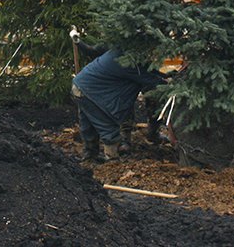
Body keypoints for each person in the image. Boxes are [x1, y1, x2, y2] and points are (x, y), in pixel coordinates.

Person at [70, 34, 168, 162]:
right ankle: (112, 161)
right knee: (107, 124)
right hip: (90, 92)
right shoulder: (128, 62)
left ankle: (90, 155)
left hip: (79, 86)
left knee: (88, 124)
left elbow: (147, 70)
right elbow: (148, 78)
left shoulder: (121, 52)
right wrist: (169, 83)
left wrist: (164, 75)